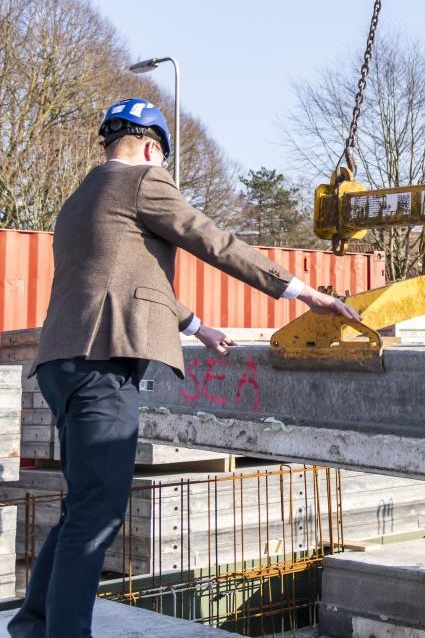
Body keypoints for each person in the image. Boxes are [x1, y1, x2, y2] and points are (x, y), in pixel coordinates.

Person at [8, 99, 361, 638]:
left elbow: (126, 280)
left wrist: (198, 327)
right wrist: (301, 291)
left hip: (63, 365)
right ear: (152, 149)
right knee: (99, 514)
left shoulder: (80, 199)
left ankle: (33, 624)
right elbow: (214, 241)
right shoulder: (144, 181)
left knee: (83, 503)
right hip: (103, 365)